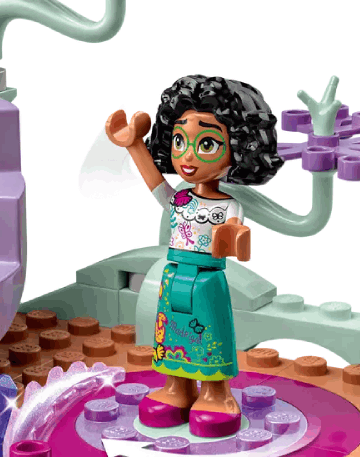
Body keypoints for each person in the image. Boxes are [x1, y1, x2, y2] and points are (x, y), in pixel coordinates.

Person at [105, 75, 283, 437]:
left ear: (238, 147)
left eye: (206, 143)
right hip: (173, 276)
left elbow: (237, 237)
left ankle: (217, 394)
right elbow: (154, 182)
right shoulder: (180, 199)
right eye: (179, 141)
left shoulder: (229, 204)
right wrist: (134, 145)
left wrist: (233, 237)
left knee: (212, 335)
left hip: (208, 280)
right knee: (172, 335)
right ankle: (177, 387)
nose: (187, 155)